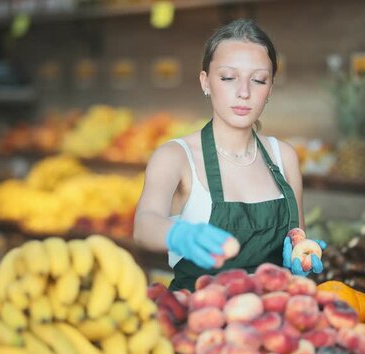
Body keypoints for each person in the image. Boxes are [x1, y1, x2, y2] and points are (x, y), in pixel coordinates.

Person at [133, 19, 325, 291]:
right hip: (199, 320)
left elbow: (298, 237)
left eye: (258, 80)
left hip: (275, 320)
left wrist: (302, 256)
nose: (244, 92)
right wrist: (180, 234)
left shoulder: (285, 157)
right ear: (205, 82)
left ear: (269, 89)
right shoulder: (175, 156)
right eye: (228, 77)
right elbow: (143, 225)